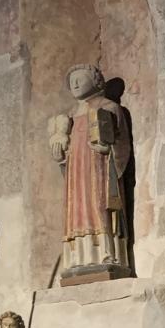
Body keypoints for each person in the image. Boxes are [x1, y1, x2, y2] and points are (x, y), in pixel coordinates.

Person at [49, 64, 131, 280]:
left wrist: (109, 150)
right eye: (72, 81)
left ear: (96, 81)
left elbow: (122, 144)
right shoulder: (68, 118)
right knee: (77, 211)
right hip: (77, 176)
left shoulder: (110, 108)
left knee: (100, 206)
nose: (75, 84)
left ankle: (108, 253)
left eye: (80, 78)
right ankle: (79, 257)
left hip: (100, 170)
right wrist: (60, 155)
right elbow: (65, 154)